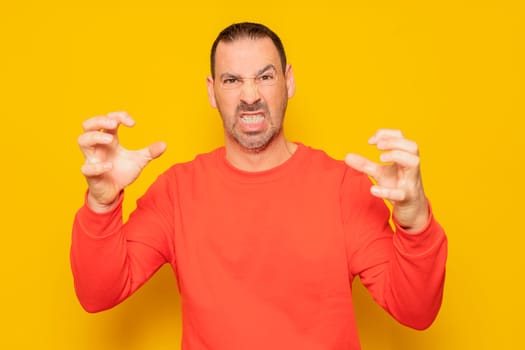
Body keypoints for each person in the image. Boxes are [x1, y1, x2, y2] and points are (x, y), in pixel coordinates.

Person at [71, 22, 447, 350]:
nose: (250, 96)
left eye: (265, 77)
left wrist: (415, 224)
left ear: (289, 80)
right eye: (232, 80)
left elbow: (414, 311)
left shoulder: (342, 187)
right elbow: (98, 294)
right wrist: (102, 205)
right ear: (211, 90)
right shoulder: (176, 192)